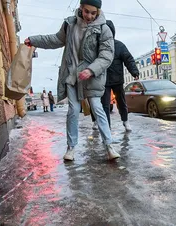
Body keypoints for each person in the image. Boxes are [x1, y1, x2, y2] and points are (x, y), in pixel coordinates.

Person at [24, 0, 120, 161]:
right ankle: (71, 148)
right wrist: (34, 40)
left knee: (97, 108)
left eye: (93, 13)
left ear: (98, 12)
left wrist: (91, 70)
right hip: (72, 75)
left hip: (92, 77)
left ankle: (109, 146)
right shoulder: (70, 25)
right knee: (73, 111)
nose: (89, 16)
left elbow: (107, 55)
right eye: (86, 11)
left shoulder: (104, 29)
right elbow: (54, 39)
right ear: (81, 8)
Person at [90, 20, 139, 131]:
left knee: (121, 102)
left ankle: (125, 121)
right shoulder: (97, 46)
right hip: (104, 81)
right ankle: (107, 127)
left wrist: (134, 72)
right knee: (105, 105)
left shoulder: (119, 45)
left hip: (117, 80)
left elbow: (129, 59)